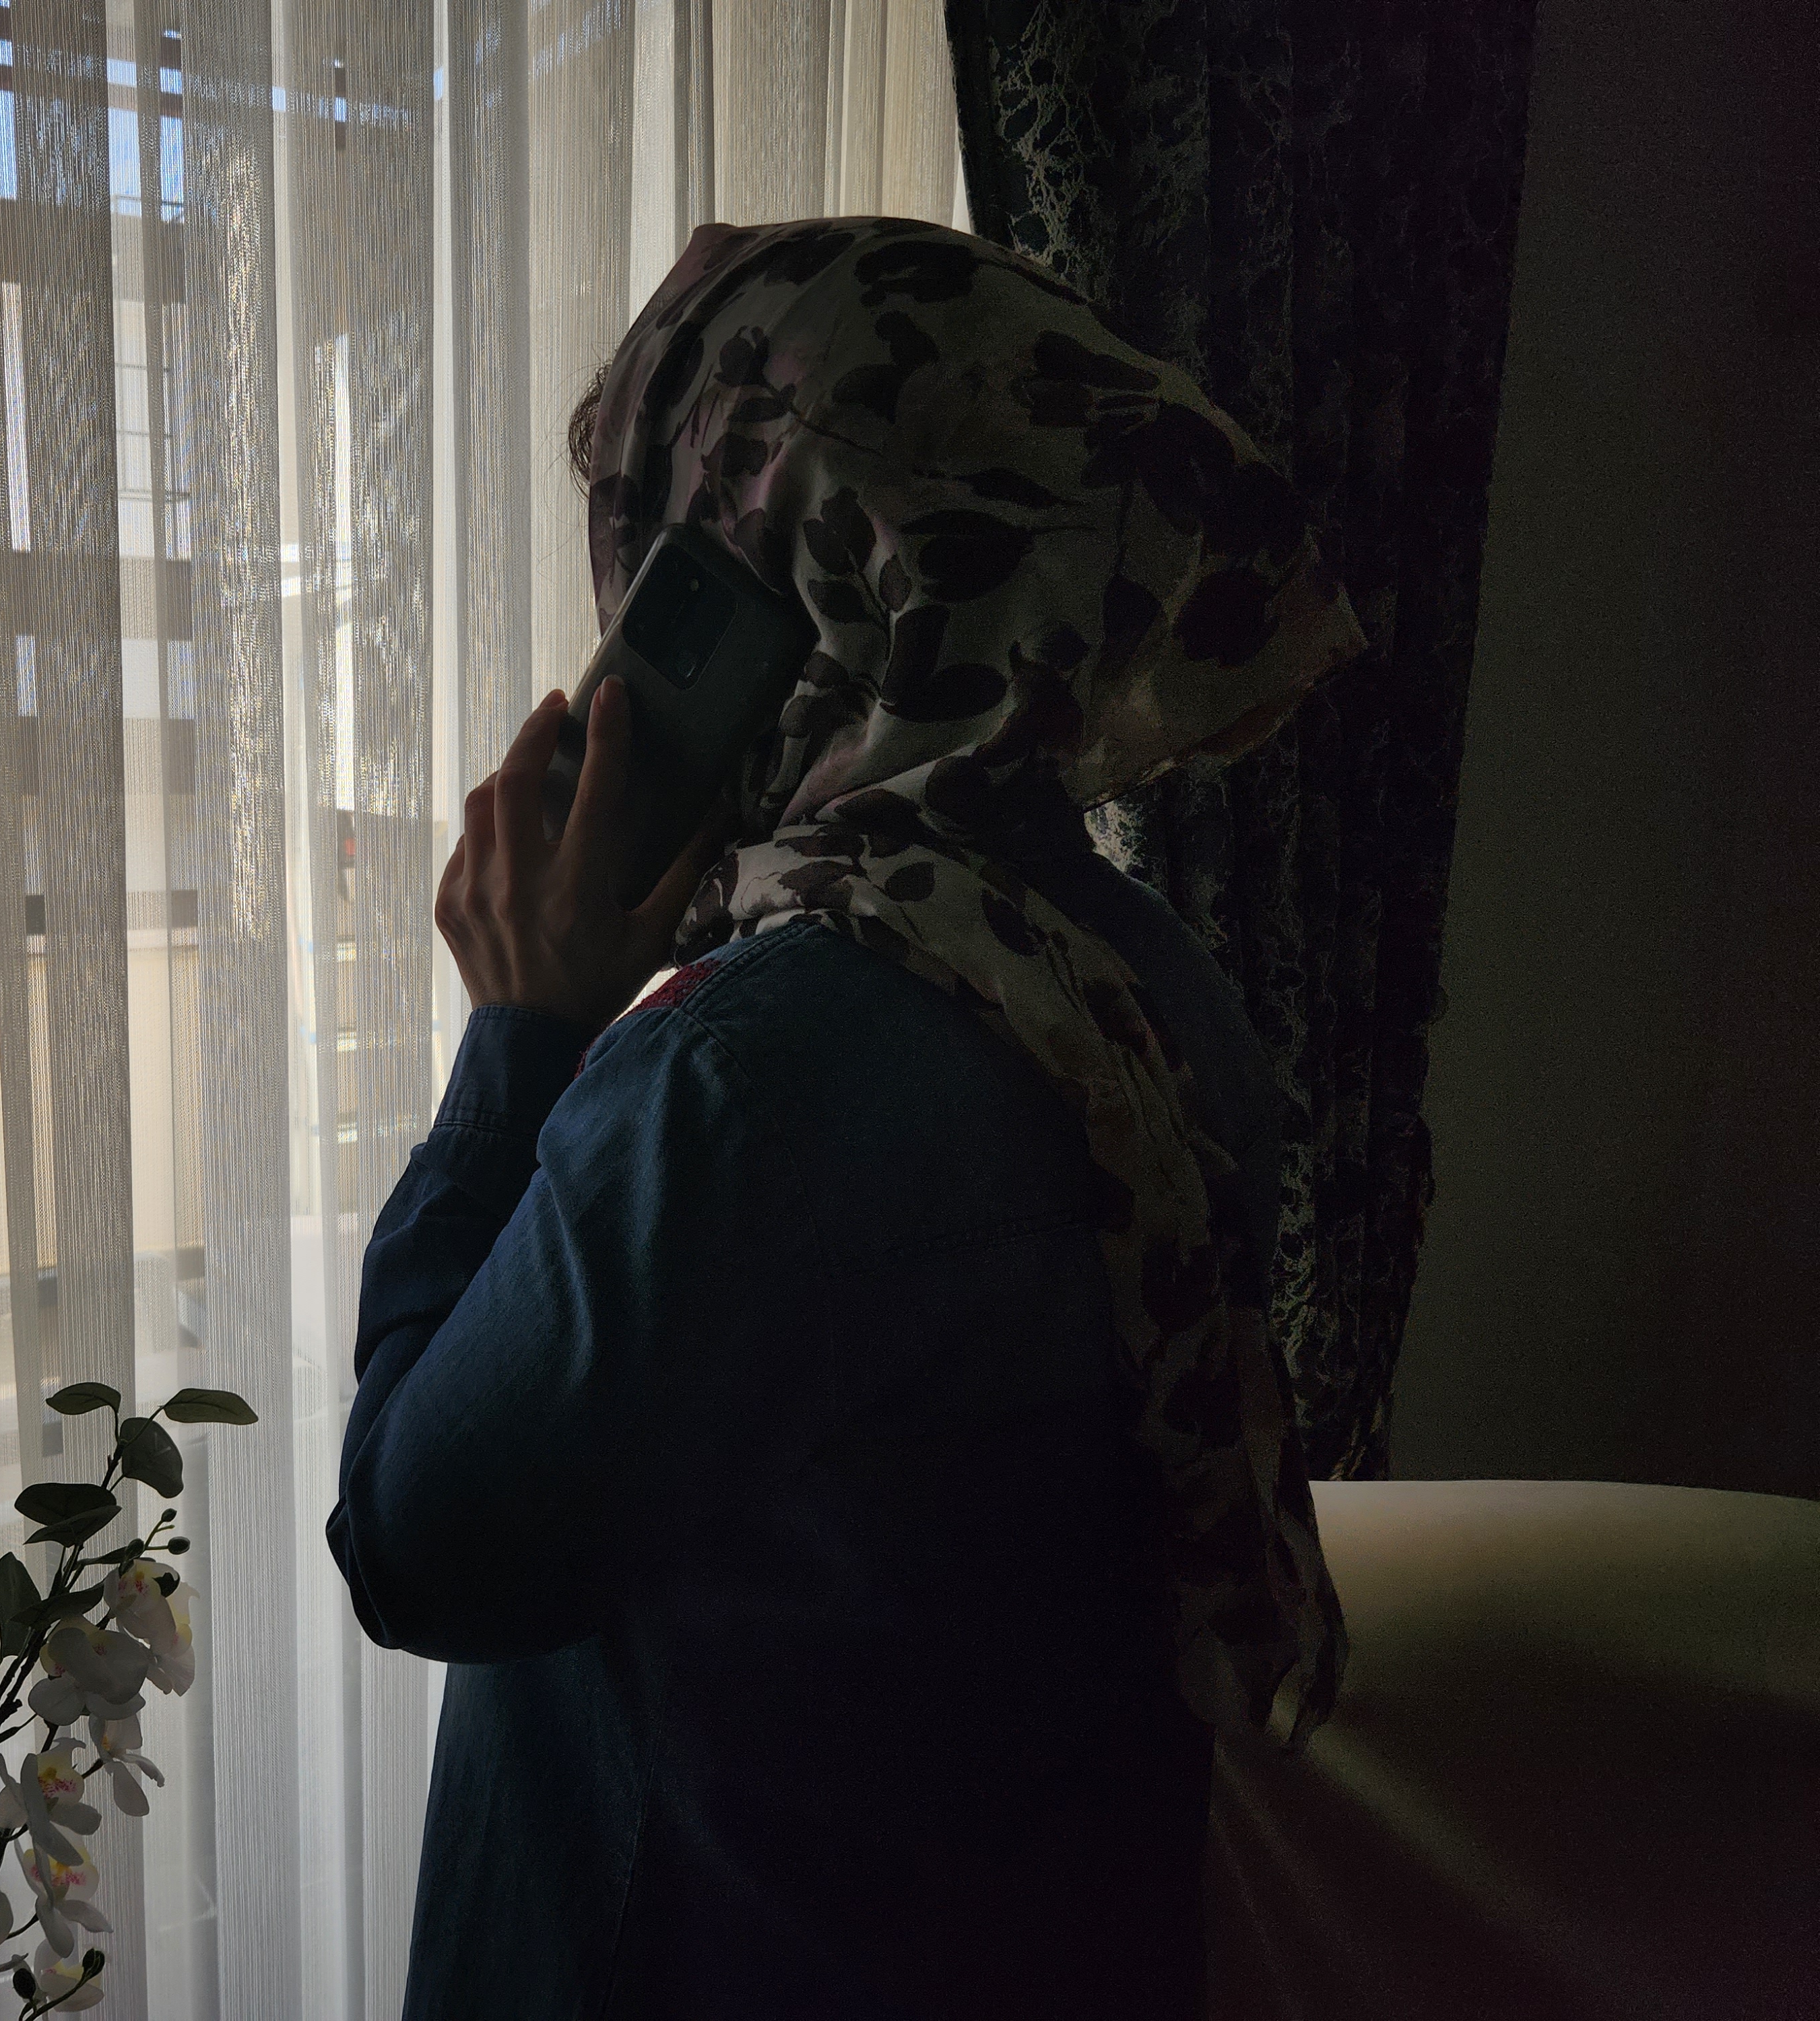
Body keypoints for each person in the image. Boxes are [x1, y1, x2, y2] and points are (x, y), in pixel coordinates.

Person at [327, 216, 1360, 2020]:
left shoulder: (749, 1077)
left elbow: (419, 1538)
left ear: (813, 573)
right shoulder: (1146, 989)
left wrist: (521, 1038)